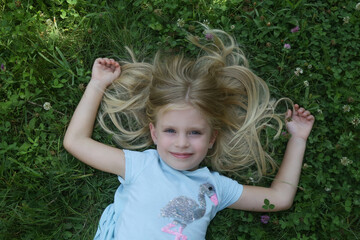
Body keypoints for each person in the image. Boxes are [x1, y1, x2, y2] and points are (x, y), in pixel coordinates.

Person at [63, 29, 315, 240]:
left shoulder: (215, 188)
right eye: (171, 130)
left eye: (195, 132)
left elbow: (278, 199)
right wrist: (97, 84)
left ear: (212, 138)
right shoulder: (140, 166)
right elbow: (75, 142)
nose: (182, 143)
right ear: (155, 133)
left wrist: (298, 138)